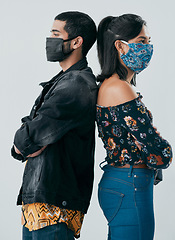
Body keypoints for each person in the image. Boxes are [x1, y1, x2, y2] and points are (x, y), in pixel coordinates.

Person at [11, 11, 97, 240]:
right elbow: (26, 143)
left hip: (55, 208)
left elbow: (26, 138)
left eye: (56, 33)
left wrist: (27, 139)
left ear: (77, 42)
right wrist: (28, 141)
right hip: (39, 207)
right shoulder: (63, 81)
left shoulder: (76, 85)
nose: (49, 39)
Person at [96, 14, 172, 240]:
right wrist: (162, 148)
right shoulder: (120, 89)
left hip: (122, 181)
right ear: (120, 45)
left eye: (149, 42)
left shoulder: (111, 85)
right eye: (141, 42)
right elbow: (159, 153)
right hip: (130, 184)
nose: (148, 48)